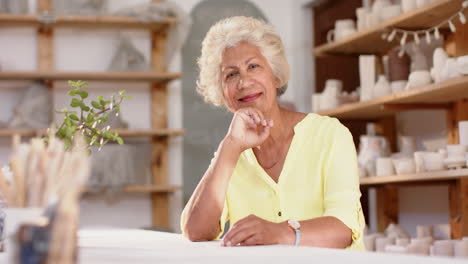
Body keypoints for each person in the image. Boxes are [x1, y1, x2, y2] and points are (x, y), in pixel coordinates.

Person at [180, 16, 365, 250]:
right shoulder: (231, 152)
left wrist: (279, 231)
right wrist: (230, 146)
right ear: (222, 92)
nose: (244, 82)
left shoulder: (330, 134)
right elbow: (196, 231)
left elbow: (344, 229)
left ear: (275, 76)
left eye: (253, 66)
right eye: (231, 74)